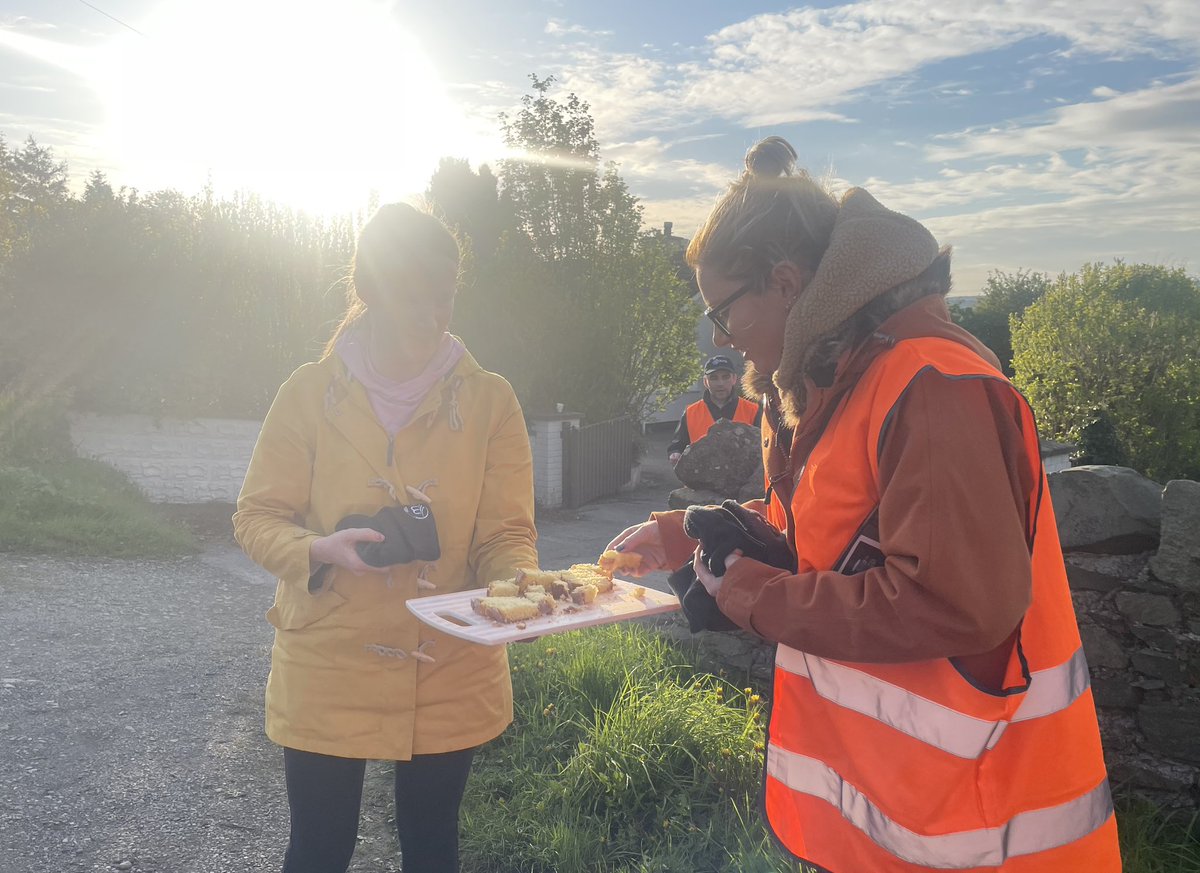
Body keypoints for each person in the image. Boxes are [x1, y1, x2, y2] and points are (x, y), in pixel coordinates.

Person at [608, 137, 1119, 872]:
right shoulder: (845, 377)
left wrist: (754, 595)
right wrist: (683, 537)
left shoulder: (932, 387)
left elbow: (951, 601)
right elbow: (832, 534)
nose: (720, 339)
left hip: (980, 832)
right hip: (896, 821)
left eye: (722, 312)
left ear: (785, 282)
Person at [233, 203, 537, 873]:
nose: (431, 315)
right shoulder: (307, 393)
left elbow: (507, 532)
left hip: (449, 662)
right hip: (328, 659)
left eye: (445, 295)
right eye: (412, 296)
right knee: (317, 850)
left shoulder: (491, 401)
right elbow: (257, 516)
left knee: (432, 850)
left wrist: (520, 587)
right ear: (367, 292)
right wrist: (317, 550)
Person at [667, 354, 763, 465]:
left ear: (734, 379)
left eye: (725, 377)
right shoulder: (690, 413)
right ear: (705, 382)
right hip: (700, 480)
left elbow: (764, 449)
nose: (720, 383)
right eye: (714, 378)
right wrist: (675, 453)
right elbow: (677, 445)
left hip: (744, 481)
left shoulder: (753, 411)